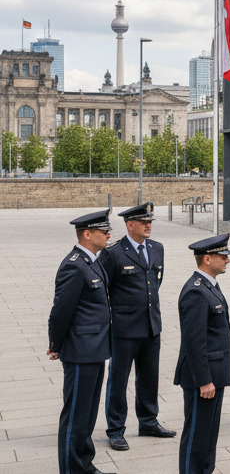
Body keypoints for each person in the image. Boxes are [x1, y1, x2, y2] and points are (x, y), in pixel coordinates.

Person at [99, 202, 175, 451]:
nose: (148, 225)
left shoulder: (157, 248)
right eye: (143, 222)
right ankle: (116, 429)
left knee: (149, 378)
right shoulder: (113, 253)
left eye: (150, 221)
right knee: (118, 380)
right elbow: (103, 291)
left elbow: (155, 282)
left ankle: (148, 421)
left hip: (151, 325)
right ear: (129, 224)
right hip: (124, 328)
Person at [48, 209, 114, 474]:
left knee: (87, 415)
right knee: (75, 416)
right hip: (80, 352)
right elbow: (61, 311)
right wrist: (56, 344)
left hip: (96, 349)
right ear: (87, 234)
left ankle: (84, 463)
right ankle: (71, 468)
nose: (109, 234)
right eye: (103, 231)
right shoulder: (74, 265)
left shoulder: (93, 260)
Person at [174, 234, 230, 474]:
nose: (227, 261)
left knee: (208, 437)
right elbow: (194, 341)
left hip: (215, 374)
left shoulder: (209, 286)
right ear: (207, 259)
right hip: (204, 378)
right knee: (197, 438)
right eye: (223, 256)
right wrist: (204, 380)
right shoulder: (196, 291)